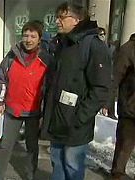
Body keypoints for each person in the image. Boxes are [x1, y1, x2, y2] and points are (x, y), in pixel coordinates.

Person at [40, 2, 111, 180]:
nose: (57, 21)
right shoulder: (61, 43)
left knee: (72, 165)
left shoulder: (94, 46)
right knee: (57, 161)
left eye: (62, 17)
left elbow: (100, 88)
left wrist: (80, 117)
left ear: (77, 20)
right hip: (57, 118)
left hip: (76, 122)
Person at [0, 21, 53, 180]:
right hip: (13, 109)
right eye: (26, 35)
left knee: (32, 147)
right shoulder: (11, 56)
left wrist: (45, 113)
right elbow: (2, 80)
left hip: (34, 111)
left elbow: (49, 88)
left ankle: (30, 175)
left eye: (33, 36)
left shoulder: (46, 59)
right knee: (5, 146)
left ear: (39, 39)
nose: (28, 39)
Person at [110, 33, 135, 180]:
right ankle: (117, 173)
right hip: (130, 108)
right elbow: (115, 77)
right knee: (125, 145)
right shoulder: (128, 49)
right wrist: (108, 101)